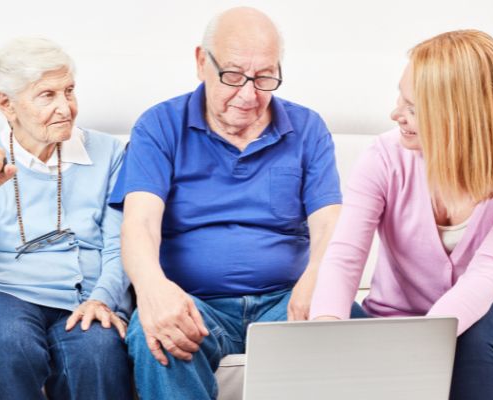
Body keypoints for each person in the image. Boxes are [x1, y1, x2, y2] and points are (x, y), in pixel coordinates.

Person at [109, 7, 342, 399]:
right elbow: (140, 223)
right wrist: (152, 288)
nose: (249, 95)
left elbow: (330, 224)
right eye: (233, 76)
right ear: (202, 61)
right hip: (198, 306)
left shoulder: (308, 128)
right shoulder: (159, 125)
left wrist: (318, 277)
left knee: (350, 319)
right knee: (159, 339)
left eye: (265, 77)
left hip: (286, 302)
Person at [309, 30, 493, 399]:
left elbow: (487, 273)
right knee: (328, 324)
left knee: (468, 340)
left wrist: (420, 346)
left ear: (458, 116)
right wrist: (324, 332)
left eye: (413, 108)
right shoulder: (383, 157)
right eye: (400, 97)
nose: (396, 114)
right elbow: (345, 256)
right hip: (394, 316)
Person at [0, 37, 132, 400]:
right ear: (6, 103)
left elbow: (120, 243)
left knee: (98, 354)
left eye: (69, 91)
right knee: (7, 343)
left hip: (83, 296)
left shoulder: (110, 153)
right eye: (47, 95)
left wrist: (103, 298)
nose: (66, 108)